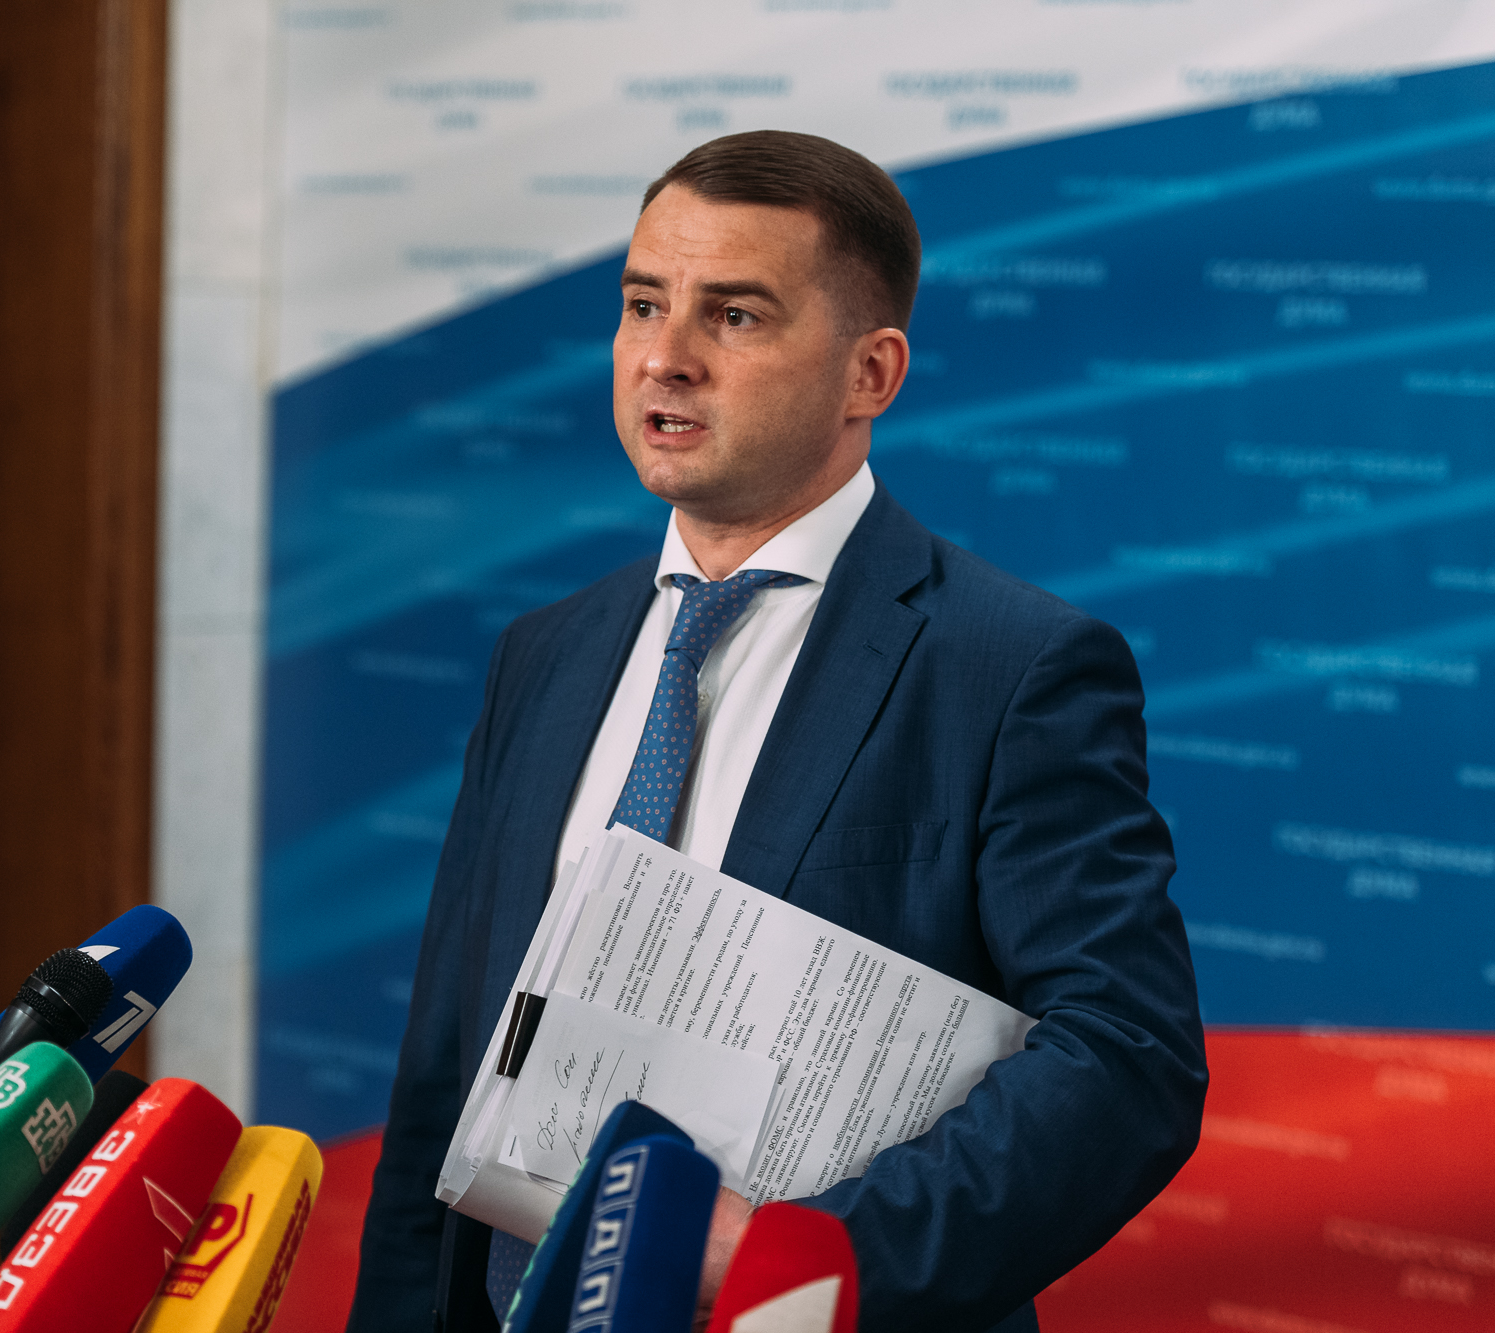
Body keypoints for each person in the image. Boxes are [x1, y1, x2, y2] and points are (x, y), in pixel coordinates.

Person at [349, 130, 1206, 1333]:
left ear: (870, 373)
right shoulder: (542, 654)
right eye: (642, 304)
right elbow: (446, 1064)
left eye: (734, 315)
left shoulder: (1012, 666)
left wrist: (798, 1258)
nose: (665, 357)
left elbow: (1126, 1057)